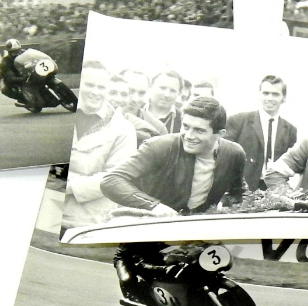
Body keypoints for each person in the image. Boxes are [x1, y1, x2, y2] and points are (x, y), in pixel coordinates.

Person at [101, 96, 247, 216]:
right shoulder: (158, 147)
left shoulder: (234, 154)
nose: (189, 136)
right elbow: (111, 180)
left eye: (199, 130)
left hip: (195, 231)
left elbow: (237, 194)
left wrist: (225, 211)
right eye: (185, 126)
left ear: (220, 134)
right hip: (147, 225)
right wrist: (153, 206)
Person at [61, 61, 138, 228]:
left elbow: (114, 178)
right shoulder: (60, 118)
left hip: (88, 220)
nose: (95, 92)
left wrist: (68, 185)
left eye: (101, 87)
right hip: (48, 209)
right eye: (89, 85)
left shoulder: (124, 129)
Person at [224, 75, 298, 190]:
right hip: (241, 190)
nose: (270, 98)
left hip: (274, 191)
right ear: (259, 94)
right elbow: (224, 156)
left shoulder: (290, 130)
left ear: (283, 98)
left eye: (275, 94)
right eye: (265, 93)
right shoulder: (238, 121)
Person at [0, 38, 53, 106]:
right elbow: (10, 78)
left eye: (18, 50)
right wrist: (23, 78)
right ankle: (22, 100)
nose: (16, 53)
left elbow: (36, 58)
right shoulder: (5, 63)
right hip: (10, 78)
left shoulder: (25, 53)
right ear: (9, 52)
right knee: (5, 89)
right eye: (13, 52)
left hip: (24, 73)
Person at [146, 69, 185, 134]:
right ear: (151, 87)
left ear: (179, 93)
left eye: (172, 91)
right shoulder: (136, 110)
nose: (167, 94)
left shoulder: (182, 120)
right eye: (162, 88)